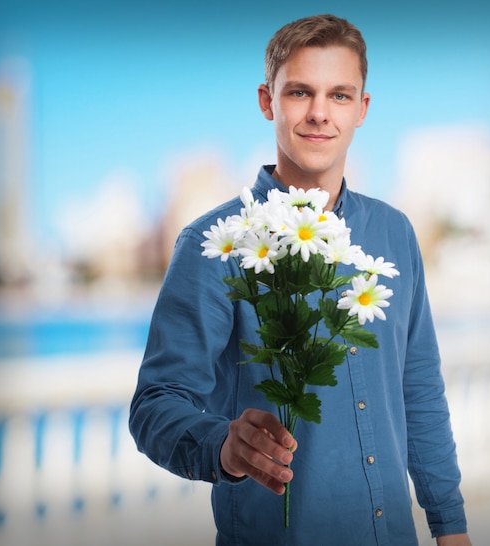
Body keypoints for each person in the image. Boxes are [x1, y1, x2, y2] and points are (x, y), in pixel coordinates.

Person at [130, 13, 472, 546]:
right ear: (268, 101)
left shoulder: (395, 233)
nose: (318, 113)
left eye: (339, 95)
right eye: (299, 92)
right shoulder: (214, 245)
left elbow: (418, 389)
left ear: (362, 109)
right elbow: (156, 402)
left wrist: (450, 526)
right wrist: (222, 444)